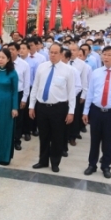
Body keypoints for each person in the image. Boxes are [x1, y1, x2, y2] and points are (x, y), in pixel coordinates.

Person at [82, 46, 111, 179]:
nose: (106, 57)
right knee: (94, 140)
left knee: (108, 141)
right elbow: (90, 93)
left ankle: (106, 166)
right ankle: (92, 164)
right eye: (104, 55)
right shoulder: (96, 72)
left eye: (109, 55)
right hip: (96, 111)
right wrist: (86, 112)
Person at [28, 44, 76, 172]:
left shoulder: (68, 70)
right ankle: (42, 160)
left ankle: (55, 162)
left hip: (58, 108)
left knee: (57, 136)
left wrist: (71, 111)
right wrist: (31, 106)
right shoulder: (42, 67)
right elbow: (35, 87)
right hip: (42, 107)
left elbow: (71, 92)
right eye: (51, 52)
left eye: (56, 53)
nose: (53, 55)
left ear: (61, 54)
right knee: (43, 136)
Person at [9, 42, 30, 150]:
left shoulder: (24, 64)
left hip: (18, 93)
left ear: (18, 51)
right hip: (6, 94)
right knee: (7, 118)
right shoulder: (3, 63)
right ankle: (7, 140)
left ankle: (17, 140)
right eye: (9, 49)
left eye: (13, 49)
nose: (11, 51)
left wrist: (24, 98)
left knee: (18, 119)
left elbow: (26, 83)